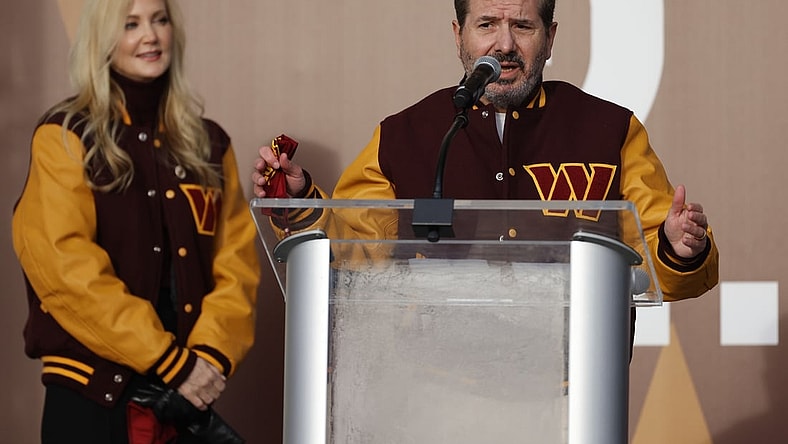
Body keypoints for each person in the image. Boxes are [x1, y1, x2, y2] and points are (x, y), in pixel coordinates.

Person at [253, 0, 718, 307]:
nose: (505, 45)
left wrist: (678, 248)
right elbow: (355, 255)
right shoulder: (404, 136)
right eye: (487, 25)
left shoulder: (609, 129)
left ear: (550, 37)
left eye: (522, 26)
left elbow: (660, 262)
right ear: (459, 35)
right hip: (432, 384)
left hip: (573, 388)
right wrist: (302, 203)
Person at [11, 0, 260, 442]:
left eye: (160, 20)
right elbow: (64, 269)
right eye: (130, 24)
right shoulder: (65, 134)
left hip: (183, 399)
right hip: (90, 399)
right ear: (102, 39)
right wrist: (170, 361)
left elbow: (236, 267)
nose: (151, 35)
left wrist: (208, 360)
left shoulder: (210, 144)